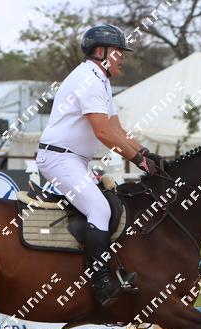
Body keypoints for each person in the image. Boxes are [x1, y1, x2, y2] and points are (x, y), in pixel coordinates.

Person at [35, 24, 162, 307]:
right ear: (100, 52)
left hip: (74, 159)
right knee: (99, 209)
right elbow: (103, 133)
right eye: (118, 52)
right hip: (59, 158)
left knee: (111, 203)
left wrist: (146, 153)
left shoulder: (101, 81)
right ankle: (101, 282)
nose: (123, 58)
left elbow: (117, 130)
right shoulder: (88, 80)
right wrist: (138, 161)